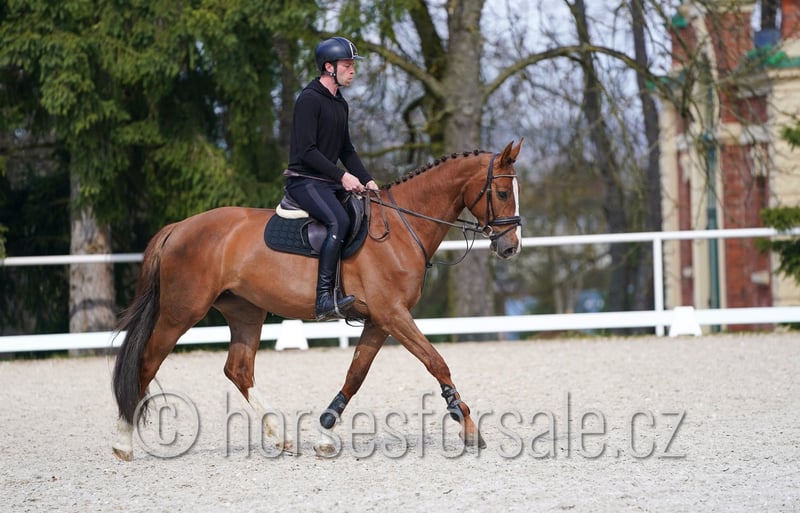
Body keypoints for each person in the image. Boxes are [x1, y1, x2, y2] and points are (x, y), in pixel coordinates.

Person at [285, 36, 378, 321]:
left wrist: (367, 179)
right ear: (329, 67)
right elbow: (307, 151)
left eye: (352, 65)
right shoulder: (309, 100)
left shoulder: (340, 103)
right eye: (347, 65)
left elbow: (346, 150)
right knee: (339, 220)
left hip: (326, 182)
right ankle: (324, 298)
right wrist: (342, 176)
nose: (353, 70)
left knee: (363, 216)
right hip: (304, 181)